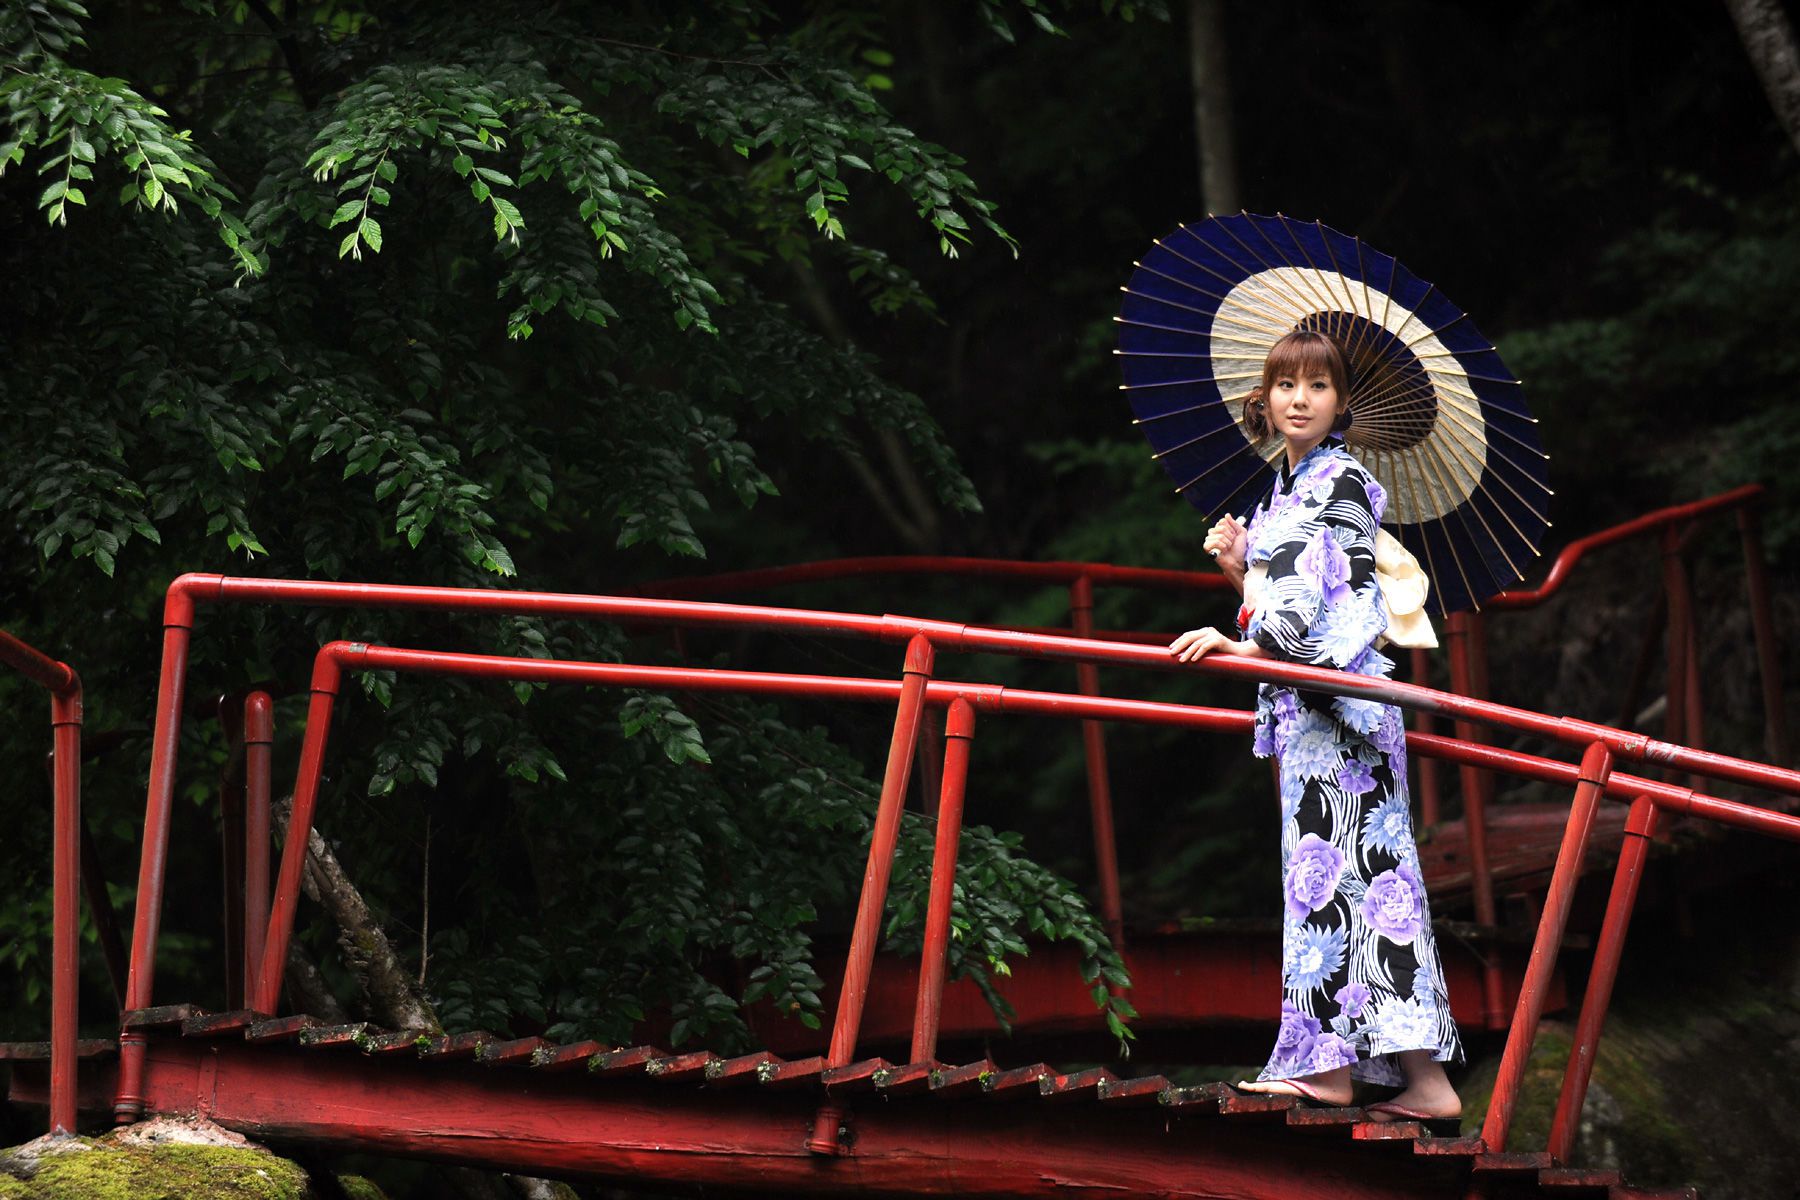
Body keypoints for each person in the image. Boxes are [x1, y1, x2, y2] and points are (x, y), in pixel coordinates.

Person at [1167, 329, 1463, 1121]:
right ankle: (1426, 1085)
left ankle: (1328, 1070)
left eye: (1318, 386)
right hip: (1322, 714)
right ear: (1263, 398)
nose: (1299, 398)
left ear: (1341, 405)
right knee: (1372, 889)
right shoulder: (1287, 490)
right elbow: (1290, 595)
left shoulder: (1341, 482)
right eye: (1285, 384)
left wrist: (1244, 638)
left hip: (1336, 715)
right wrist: (1239, 567)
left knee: (1333, 884)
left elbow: (1319, 614)